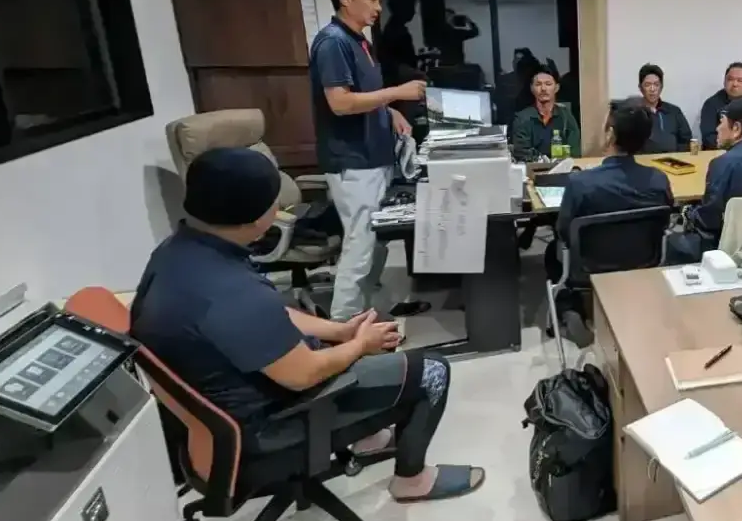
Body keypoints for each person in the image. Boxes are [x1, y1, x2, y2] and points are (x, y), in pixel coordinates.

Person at [131, 148, 485, 502]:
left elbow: (271, 314)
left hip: (224, 405)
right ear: (255, 218)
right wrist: (360, 345)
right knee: (431, 371)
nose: (279, 208)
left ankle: (368, 438)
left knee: (349, 347)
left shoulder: (179, 252)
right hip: (266, 429)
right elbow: (304, 374)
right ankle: (412, 480)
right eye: (274, 201)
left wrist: (340, 331)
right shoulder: (231, 292)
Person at [310, 0, 425, 321]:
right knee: (359, 247)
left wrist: (389, 112)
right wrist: (397, 94)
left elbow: (363, 93)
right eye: (372, 0)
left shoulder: (359, 40)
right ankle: (344, 328)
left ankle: (372, 311)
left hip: (374, 156)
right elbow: (340, 102)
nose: (378, 8)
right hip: (353, 161)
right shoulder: (333, 43)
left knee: (376, 242)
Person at [547, 98, 675, 344]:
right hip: (643, 260)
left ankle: (569, 307)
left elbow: (563, 231)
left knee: (551, 253)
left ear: (610, 134)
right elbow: (665, 219)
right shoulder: (658, 180)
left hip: (590, 264)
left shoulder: (580, 183)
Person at [667, 98, 742, 263]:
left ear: (736, 128)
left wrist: (688, 212)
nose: (717, 128)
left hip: (727, 251)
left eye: (721, 122)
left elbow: (709, 219)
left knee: (672, 238)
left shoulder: (723, 163)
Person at [510, 68, 582, 161]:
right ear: (532, 88)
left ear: (556, 88)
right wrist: (542, 160)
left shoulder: (566, 116)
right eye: (538, 84)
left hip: (563, 166)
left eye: (548, 84)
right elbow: (522, 151)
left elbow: (575, 149)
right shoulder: (522, 118)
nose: (543, 89)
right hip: (533, 167)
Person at [637, 63, 692, 153]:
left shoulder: (674, 111)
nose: (652, 89)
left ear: (661, 87)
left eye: (656, 84)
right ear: (640, 88)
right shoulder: (634, 113)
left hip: (673, 159)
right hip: (644, 160)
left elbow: (686, 140)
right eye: (647, 85)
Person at [377, 0, 423, 87]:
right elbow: (397, 64)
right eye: (411, 7)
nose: (414, 12)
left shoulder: (393, 28)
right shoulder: (396, 32)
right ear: (402, 9)